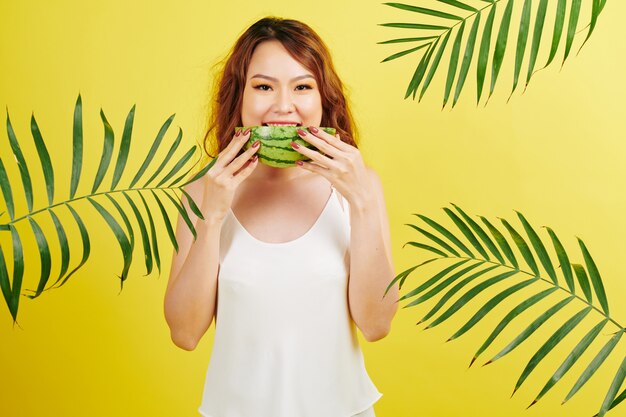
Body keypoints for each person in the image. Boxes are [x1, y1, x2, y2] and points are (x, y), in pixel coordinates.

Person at [164, 16, 398, 417]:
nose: (283, 106)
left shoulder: (360, 187)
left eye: (302, 87)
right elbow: (184, 333)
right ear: (239, 97)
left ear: (324, 99)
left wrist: (361, 203)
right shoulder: (203, 193)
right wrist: (213, 216)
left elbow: (376, 325)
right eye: (263, 87)